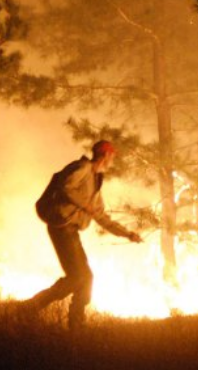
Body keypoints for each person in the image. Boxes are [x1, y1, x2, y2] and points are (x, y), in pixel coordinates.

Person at [26, 139, 142, 328]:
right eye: (112, 156)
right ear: (105, 156)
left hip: (70, 230)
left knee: (85, 278)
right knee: (77, 277)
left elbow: (101, 216)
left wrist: (127, 234)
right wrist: (84, 204)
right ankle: (32, 307)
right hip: (61, 227)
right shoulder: (82, 167)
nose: (113, 160)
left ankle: (76, 323)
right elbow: (66, 187)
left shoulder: (96, 181)